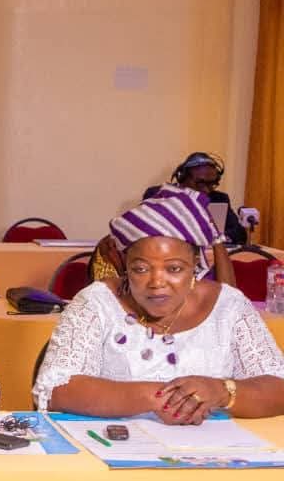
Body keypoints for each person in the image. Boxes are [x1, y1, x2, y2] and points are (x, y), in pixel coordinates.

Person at [34, 186, 284, 424]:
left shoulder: (229, 307)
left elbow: (278, 386)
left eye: (174, 269)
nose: (156, 282)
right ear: (125, 266)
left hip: (217, 450)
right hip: (114, 447)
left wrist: (222, 391)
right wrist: (158, 398)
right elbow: (55, 389)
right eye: (141, 269)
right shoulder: (96, 303)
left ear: (195, 265)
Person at [88, 183, 236, 286]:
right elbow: (107, 300)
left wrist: (216, 238)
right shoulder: (114, 247)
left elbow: (229, 297)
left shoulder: (190, 250)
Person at [143, 152, 247, 244]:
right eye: (200, 183)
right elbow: (146, 229)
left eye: (212, 184)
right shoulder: (158, 194)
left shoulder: (219, 198)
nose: (206, 190)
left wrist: (217, 238)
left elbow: (239, 233)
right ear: (183, 178)